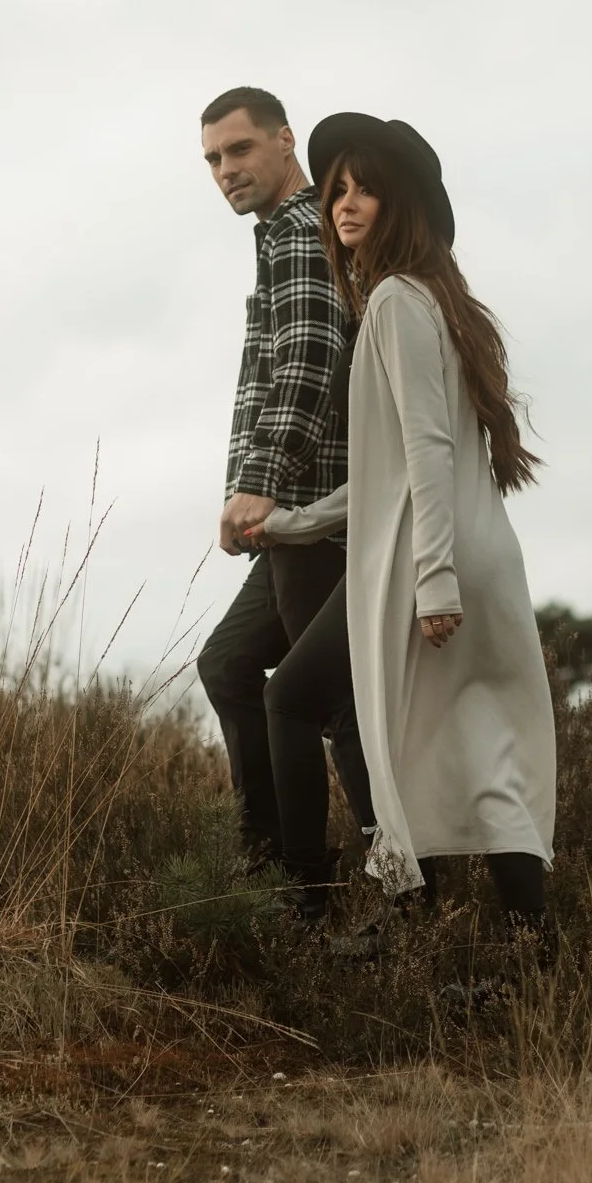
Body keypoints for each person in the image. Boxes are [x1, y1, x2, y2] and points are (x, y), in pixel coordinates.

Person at [248, 113, 556, 940]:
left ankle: (344, 914)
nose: (344, 204)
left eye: (364, 188)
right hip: (476, 548)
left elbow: (422, 452)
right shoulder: (442, 304)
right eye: (337, 188)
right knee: (483, 751)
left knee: (303, 702)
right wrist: (297, 521)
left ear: (403, 204)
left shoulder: (391, 300)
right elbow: (403, 468)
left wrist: (433, 581)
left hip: (432, 557)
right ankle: (534, 946)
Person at [192, 87, 372, 866]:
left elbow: (308, 360)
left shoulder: (301, 231)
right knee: (231, 663)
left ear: (285, 139)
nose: (225, 170)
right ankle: (267, 855)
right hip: (290, 513)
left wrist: (258, 480)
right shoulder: (279, 239)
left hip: (315, 511)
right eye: (211, 160)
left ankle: (325, 879)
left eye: (238, 150)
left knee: (324, 704)